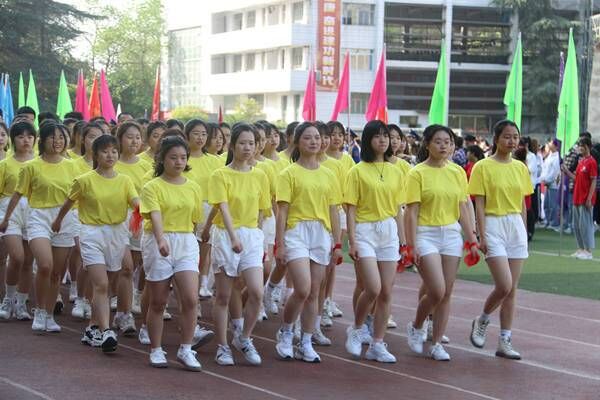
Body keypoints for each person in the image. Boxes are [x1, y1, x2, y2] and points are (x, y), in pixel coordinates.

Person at [52, 135, 139, 352]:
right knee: (101, 284)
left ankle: (92, 327)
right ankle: (107, 331)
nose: (110, 155)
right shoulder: (84, 180)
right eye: (105, 151)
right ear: (96, 154)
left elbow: (136, 202)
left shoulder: (125, 180)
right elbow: (69, 202)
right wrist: (58, 220)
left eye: (114, 151)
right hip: (91, 233)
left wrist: (147, 210)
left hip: (117, 234)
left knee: (108, 284)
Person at [404, 125, 478, 361]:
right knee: (437, 289)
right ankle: (417, 325)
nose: (443, 146)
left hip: (451, 234)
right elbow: (411, 212)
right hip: (425, 234)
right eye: (438, 141)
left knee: (447, 293)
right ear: (427, 144)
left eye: (448, 142)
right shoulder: (417, 173)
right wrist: (411, 245)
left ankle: (436, 343)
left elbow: (463, 206)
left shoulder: (457, 172)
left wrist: (472, 238)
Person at [1, 121, 79, 333]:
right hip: (38, 217)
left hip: (64, 219)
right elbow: (17, 194)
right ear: (42, 140)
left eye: (61, 137)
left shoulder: (72, 166)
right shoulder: (31, 166)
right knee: (45, 265)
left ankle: (49, 314)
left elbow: (79, 194)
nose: (58, 141)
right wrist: (6, 219)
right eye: (53, 137)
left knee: (56, 272)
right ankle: (38, 310)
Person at [274, 122, 342, 363]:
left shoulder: (329, 174)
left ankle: (305, 341)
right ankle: (286, 331)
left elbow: (334, 211)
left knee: (314, 292)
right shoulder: (288, 174)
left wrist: (338, 243)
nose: (314, 142)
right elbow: (282, 211)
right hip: (296, 232)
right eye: (307, 138)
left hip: (321, 233)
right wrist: (279, 244)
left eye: (317, 137)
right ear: (297, 142)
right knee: (302, 289)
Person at [203, 123, 270, 366]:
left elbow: (262, 210)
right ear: (232, 145)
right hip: (226, 235)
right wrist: (233, 237)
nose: (247, 148)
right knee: (223, 295)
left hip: (251, 236)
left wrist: (259, 238)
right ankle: (222, 346)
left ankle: (243, 338)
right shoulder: (220, 175)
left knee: (257, 292)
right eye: (242, 143)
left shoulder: (260, 175)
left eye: (251, 143)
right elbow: (223, 207)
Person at [469, 120, 533, 360]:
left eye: (515, 136)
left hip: (514, 225)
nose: (512, 141)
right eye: (507, 136)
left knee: (512, 290)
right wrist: (481, 233)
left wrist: (523, 230)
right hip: (493, 224)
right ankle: (482, 319)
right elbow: (479, 203)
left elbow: (522, 204)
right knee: (504, 285)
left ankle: (505, 340)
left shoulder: (520, 168)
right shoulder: (482, 167)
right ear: (496, 139)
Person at [344, 120, 406, 363]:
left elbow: (398, 210)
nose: (383, 140)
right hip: (365, 231)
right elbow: (350, 209)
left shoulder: (396, 171)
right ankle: (357, 328)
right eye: (377, 136)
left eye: (386, 136)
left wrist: (404, 242)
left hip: (388, 231)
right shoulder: (357, 171)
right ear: (368, 140)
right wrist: (352, 241)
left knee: (386, 292)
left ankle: (377, 343)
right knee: (372, 288)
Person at [141, 136, 204, 371]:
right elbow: (155, 214)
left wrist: (190, 242)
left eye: (183, 158)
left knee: (190, 299)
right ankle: (156, 349)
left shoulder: (193, 187)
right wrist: (160, 240)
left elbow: (194, 220)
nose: (179, 162)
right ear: (162, 159)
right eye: (173, 157)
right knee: (158, 301)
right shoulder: (152, 187)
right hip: (159, 240)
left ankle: (186, 349)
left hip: (186, 240)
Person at [0, 121, 36, 321]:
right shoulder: (5, 165)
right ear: (13, 140)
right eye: (21, 137)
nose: (26, 141)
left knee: (28, 261)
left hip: (33, 212)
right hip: (9, 211)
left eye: (30, 137)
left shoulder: (39, 163)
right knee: (17, 257)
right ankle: (8, 299)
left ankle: (21, 304)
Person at [563, 137, 597, 260]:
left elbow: (593, 181)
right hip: (576, 197)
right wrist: (566, 171)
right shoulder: (581, 161)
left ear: (588, 147)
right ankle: (581, 248)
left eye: (582, 146)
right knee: (576, 225)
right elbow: (576, 178)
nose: (580, 148)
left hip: (585, 198)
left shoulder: (592, 162)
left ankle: (588, 250)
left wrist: (589, 198)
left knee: (585, 225)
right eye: (579, 145)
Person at [540, 139, 561, 230]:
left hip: (553, 184)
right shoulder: (549, 156)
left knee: (553, 205)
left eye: (551, 143)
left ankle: (553, 222)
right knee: (546, 204)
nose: (549, 144)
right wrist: (543, 179)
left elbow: (554, 172)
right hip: (547, 183)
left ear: (556, 146)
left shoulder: (557, 157)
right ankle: (547, 220)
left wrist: (547, 180)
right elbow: (545, 169)